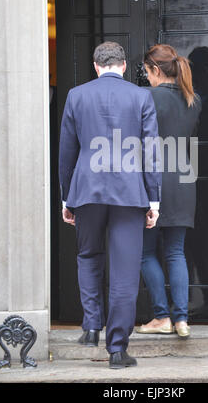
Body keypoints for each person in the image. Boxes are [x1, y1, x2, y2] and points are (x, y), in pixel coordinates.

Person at [58, 41, 162, 369]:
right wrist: (154, 198)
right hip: (130, 193)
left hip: (86, 191)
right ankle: (117, 350)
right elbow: (151, 152)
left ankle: (91, 326)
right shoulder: (141, 96)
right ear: (122, 64)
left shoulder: (76, 96)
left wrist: (66, 197)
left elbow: (66, 153)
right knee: (125, 273)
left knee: (88, 256)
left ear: (95, 65)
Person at [137, 44, 202, 339]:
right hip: (184, 179)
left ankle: (161, 316)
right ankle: (181, 320)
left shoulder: (147, 97)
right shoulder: (193, 99)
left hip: (154, 179)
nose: (146, 77)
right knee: (176, 252)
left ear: (156, 69)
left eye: (146, 71)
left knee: (145, 252)